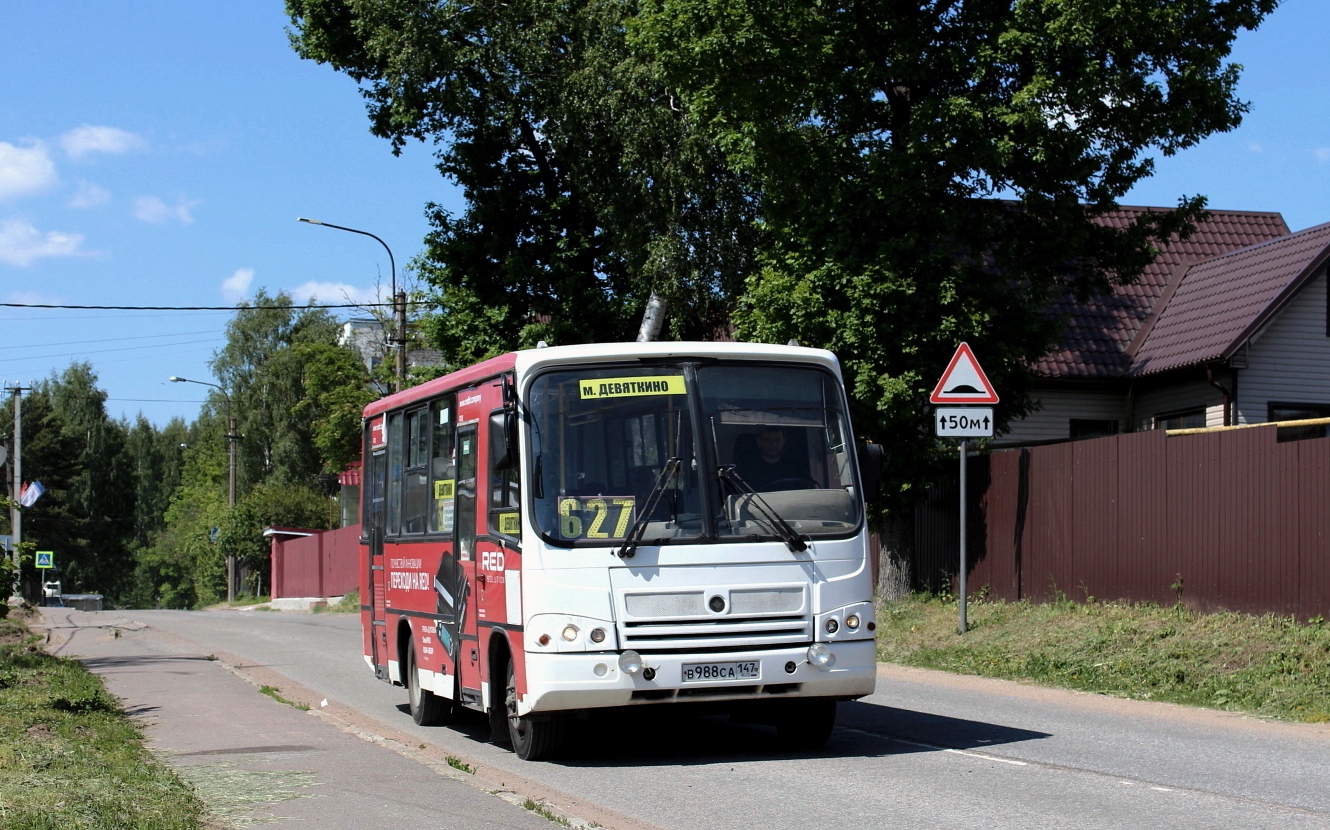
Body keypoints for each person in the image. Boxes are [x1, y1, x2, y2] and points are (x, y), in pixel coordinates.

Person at [737, 426, 803, 490]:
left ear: (783, 442)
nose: (773, 444)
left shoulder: (794, 467)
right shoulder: (746, 468)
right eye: (767, 439)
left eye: (777, 440)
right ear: (759, 441)